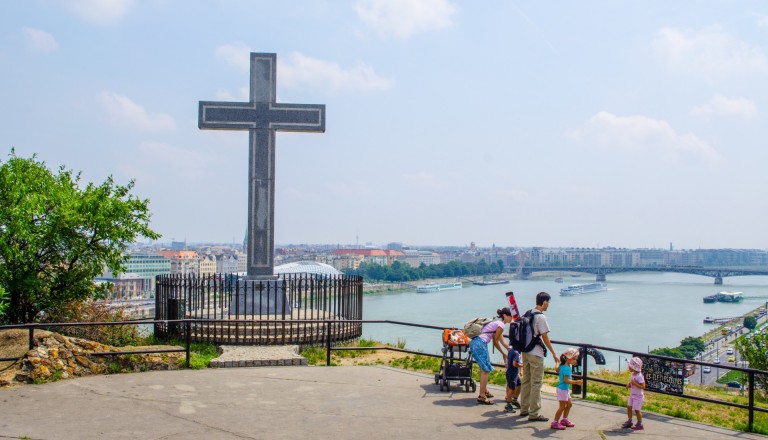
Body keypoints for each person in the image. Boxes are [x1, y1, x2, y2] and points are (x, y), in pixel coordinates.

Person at [519, 291, 559, 422]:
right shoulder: (541, 317)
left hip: (525, 352)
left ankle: (524, 408)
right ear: (545, 302)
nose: (548, 306)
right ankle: (534, 413)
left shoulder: (528, 313)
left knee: (526, 381)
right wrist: (554, 353)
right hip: (536, 353)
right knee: (536, 383)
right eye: (548, 303)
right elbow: (545, 336)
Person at [469, 307, 515, 405]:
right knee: (485, 370)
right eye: (511, 316)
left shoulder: (497, 322)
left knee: (484, 368)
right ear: (505, 316)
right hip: (480, 344)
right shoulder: (501, 324)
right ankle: (481, 395)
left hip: (477, 343)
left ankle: (485, 391)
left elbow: (502, 341)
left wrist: (509, 349)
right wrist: (503, 354)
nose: (512, 319)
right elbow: (496, 341)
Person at [551, 348, 583, 430]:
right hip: (563, 389)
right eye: (574, 359)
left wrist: (557, 362)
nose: (575, 361)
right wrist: (576, 382)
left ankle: (564, 420)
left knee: (569, 404)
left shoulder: (563, 365)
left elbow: (557, 369)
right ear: (568, 358)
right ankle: (555, 422)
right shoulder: (567, 368)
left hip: (564, 389)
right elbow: (566, 380)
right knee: (562, 407)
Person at [622, 357, 646, 430]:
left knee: (637, 410)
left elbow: (643, 386)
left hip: (638, 396)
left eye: (629, 366)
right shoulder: (633, 374)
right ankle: (629, 421)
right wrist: (629, 384)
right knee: (629, 407)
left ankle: (640, 424)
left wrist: (635, 383)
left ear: (634, 368)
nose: (628, 367)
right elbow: (632, 381)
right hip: (632, 394)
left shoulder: (639, 376)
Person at [504, 343, 523, 413]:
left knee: (519, 384)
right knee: (512, 388)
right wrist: (522, 365)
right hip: (512, 373)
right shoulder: (516, 353)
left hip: (513, 373)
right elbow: (515, 364)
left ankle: (514, 400)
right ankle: (508, 404)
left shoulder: (511, 350)